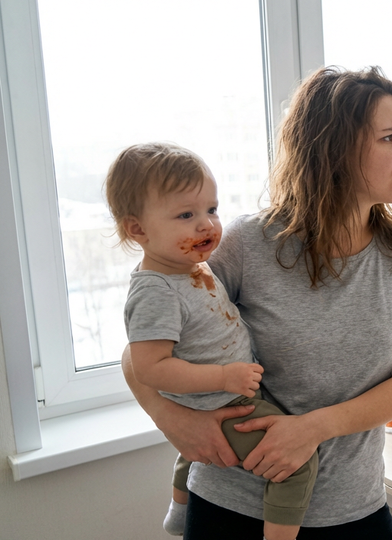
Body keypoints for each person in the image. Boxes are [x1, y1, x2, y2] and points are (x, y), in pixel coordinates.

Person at [122, 66, 392, 539]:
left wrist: (312, 428)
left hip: (354, 510)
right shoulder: (247, 244)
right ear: (335, 148)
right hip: (233, 508)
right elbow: (140, 352)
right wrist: (172, 420)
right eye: (390, 138)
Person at [106, 142, 319, 540]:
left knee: (194, 454)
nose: (206, 224)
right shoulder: (155, 291)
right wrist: (223, 378)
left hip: (221, 394)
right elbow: (150, 367)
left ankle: (179, 514)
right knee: (297, 465)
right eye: (186, 215)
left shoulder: (188, 267)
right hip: (222, 400)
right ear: (137, 229)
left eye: (211, 209)